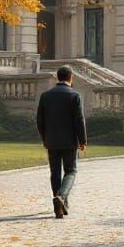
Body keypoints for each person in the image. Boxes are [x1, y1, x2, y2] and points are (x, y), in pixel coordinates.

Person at [35, 66, 86, 219]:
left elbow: (39, 120)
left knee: (55, 173)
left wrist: (45, 138)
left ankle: (60, 206)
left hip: (51, 140)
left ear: (58, 78)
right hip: (69, 141)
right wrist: (82, 140)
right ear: (71, 77)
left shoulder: (46, 96)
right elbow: (79, 120)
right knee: (71, 171)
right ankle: (62, 197)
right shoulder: (75, 96)